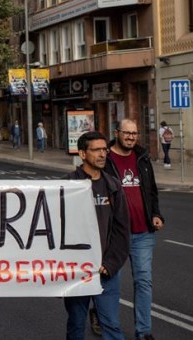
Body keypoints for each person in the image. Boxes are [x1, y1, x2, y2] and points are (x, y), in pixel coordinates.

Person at [64, 131, 130, 340]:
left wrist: (110, 264)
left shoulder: (113, 186)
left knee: (111, 325)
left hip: (106, 271)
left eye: (104, 150)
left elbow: (122, 230)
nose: (102, 154)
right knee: (76, 324)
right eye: (96, 150)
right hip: (77, 272)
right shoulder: (67, 185)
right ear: (83, 154)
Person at [104, 119, 164, 340]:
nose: (131, 137)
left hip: (143, 232)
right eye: (126, 133)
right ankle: (109, 325)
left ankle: (144, 331)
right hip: (115, 233)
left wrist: (156, 214)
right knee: (111, 283)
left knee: (144, 281)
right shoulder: (106, 158)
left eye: (134, 133)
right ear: (117, 132)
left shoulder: (142, 157)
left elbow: (152, 191)